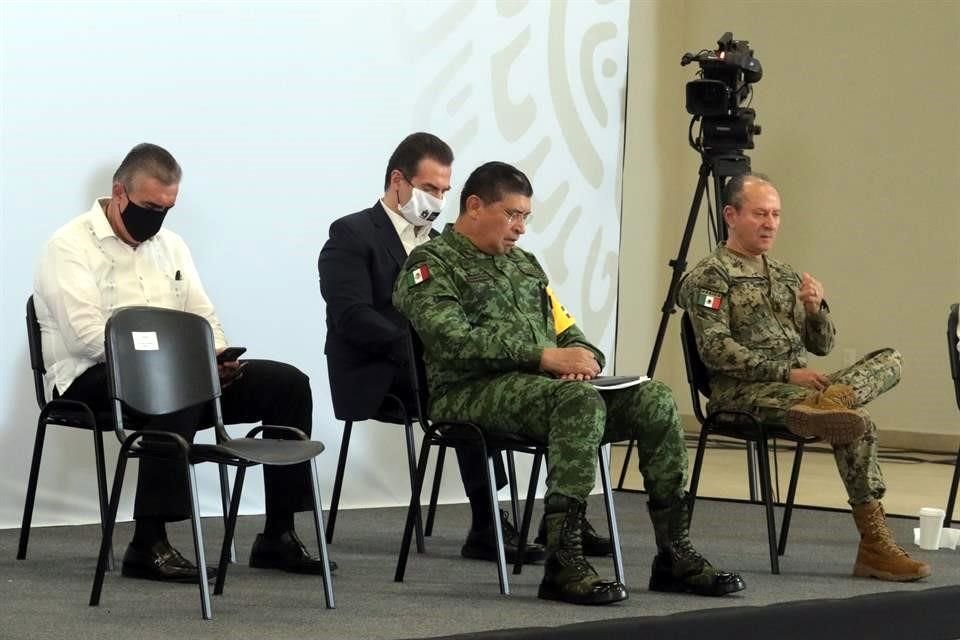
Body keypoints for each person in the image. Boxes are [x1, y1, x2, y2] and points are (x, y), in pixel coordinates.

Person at [393, 161, 744, 605]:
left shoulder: (526, 265)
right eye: (512, 215)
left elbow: (567, 330)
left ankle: (675, 553)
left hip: (544, 391)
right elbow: (450, 341)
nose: (520, 228)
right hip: (468, 393)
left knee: (654, 398)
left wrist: (587, 359)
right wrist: (542, 356)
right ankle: (563, 560)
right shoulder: (431, 263)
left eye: (526, 217)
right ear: (475, 206)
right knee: (576, 403)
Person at [34, 143, 330, 583]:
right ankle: (147, 543)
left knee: (287, 384)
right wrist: (183, 366)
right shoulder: (69, 246)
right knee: (173, 386)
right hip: (91, 380)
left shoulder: (170, 246)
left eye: (169, 207)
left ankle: (278, 534)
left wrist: (216, 357)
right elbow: (89, 338)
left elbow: (203, 316)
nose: (159, 217)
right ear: (119, 193)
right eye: (151, 206)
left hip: (179, 377)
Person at [678, 172, 931, 582]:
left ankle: (830, 402)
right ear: (730, 215)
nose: (770, 223)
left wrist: (816, 310)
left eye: (776, 214)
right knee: (855, 424)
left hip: (800, 387)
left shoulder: (785, 273)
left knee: (891, 358)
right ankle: (875, 544)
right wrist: (787, 373)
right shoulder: (711, 275)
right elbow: (715, 350)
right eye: (760, 213)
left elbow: (824, 345)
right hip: (743, 394)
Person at [318, 132, 546, 564]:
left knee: (514, 373)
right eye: (429, 189)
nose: (438, 199)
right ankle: (485, 522)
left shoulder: (445, 242)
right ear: (398, 181)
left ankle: (557, 512)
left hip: (435, 364)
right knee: (468, 380)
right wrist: (424, 345)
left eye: (444, 190)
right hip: (376, 368)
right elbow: (351, 316)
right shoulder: (352, 233)